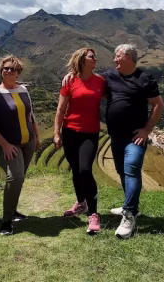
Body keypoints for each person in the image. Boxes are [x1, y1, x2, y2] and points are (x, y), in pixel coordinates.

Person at [104, 44, 164, 239]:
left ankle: (129, 214)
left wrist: (147, 130)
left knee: (131, 168)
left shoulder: (145, 79)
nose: (114, 60)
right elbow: (98, 88)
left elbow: (158, 105)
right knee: (122, 171)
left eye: (118, 57)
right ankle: (129, 206)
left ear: (128, 57)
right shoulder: (109, 77)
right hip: (115, 135)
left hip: (134, 137)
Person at [0, 56, 40, 236]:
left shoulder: (23, 90)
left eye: (12, 69)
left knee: (20, 178)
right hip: (8, 145)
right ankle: (7, 220)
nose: (8, 71)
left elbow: (30, 116)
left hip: (27, 142)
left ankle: (13, 210)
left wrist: (36, 137)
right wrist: (5, 144)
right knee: (14, 177)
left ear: (18, 72)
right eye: (5, 68)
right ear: (0, 71)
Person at [54, 48, 105, 234]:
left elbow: (116, 97)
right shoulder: (70, 81)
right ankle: (80, 203)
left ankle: (93, 213)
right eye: (92, 56)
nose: (95, 59)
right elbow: (61, 109)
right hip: (70, 132)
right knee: (76, 170)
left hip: (90, 133)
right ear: (82, 60)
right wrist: (56, 133)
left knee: (85, 169)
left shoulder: (100, 81)